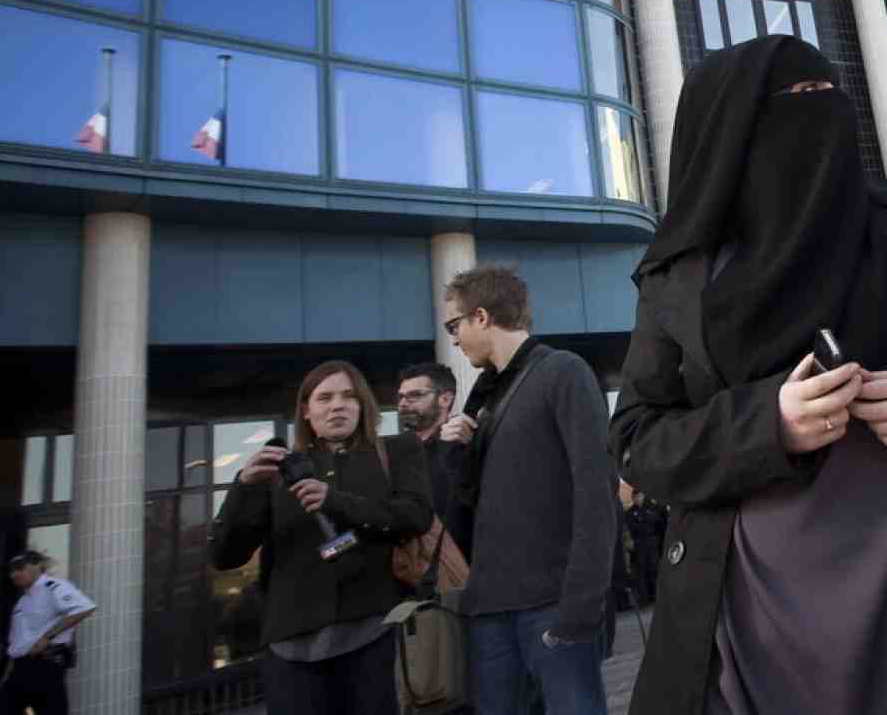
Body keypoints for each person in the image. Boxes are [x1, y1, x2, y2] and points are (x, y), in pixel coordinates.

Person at [609, 36, 887, 715]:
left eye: (830, 96)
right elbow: (639, 438)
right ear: (735, 130)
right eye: (797, 100)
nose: (823, 115)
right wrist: (769, 424)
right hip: (749, 607)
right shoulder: (682, 275)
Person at [437, 265, 615, 715]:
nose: (453, 338)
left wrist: (581, 605)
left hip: (553, 606)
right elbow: (472, 504)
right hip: (490, 609)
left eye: (453, 325)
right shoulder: (487, 396)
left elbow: (596, 492)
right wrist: (458, 451)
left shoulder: (562, 371)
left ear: (480, 317)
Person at [210, 360, 432, 715]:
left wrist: (335, 501)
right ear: (307, 411)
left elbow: (415, 516)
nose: (337, 405)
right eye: (324, 398)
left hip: (375, 636)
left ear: (363, 405)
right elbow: (224, 556)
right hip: (291, 650)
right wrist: (242, 488)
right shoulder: (276, 471)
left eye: (348, 396)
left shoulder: (397, 451)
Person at [0, 551, 94, 715]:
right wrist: (6, 674)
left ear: (37, 565)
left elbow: (84, 608)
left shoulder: (52, 586)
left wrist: (47, 638)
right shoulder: (22, 601)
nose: (14, 574)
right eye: (11, 570)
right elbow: (16, 644)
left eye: (19, 568)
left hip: (44, 665)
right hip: (20, 669)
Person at [396, 362, 471, 560]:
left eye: (414, 395)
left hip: (459, 568)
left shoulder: (466, 444)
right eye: (401, 396)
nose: (403, 403)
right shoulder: (393, 453)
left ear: (445, 398)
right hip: (406, 572)